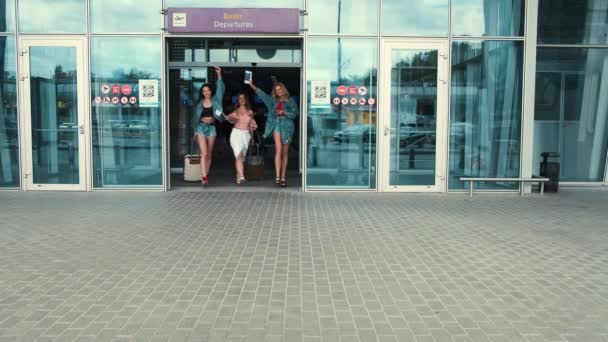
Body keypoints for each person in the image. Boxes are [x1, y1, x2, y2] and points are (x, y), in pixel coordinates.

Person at [247, 81, 298, 187]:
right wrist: (252, 84)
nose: (278, 91)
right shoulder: (272, 100)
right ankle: (278, 176)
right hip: (276, 125)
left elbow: (295, 114)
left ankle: (283, 176)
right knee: (278, 151)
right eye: (276, 90)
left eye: (280, 89)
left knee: (285, 153)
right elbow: (261, 94)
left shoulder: (290, 100)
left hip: (287, 126)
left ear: (283, 90)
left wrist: (285, 113)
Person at [192, 67, 224, 186]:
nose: (206, 92)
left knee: (209, 153)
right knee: (204, 153)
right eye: (204, 91)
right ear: (202, 92)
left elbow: (220, 88)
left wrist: (219, 74)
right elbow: (195, 119)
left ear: (211, 91)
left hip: (211, 128)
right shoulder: (199, 104)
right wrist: (195, 131)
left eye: (208, 90)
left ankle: (205, 174)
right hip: (201, 127)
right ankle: (204, 176)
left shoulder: (216, 100)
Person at [224, 94, 258, 184]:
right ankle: (242, 176)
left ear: (246, 100)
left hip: (246, 135)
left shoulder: (250, 112)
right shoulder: (235, 111)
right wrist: (229, 118)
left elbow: (251, 126)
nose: (242, 99)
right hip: (236, 134)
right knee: (238, 155)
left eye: (243, 98)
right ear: (238, 100)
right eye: (240, 98)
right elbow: (231, 121)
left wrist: (252, 139)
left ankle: (238, 175)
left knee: (241, 157)